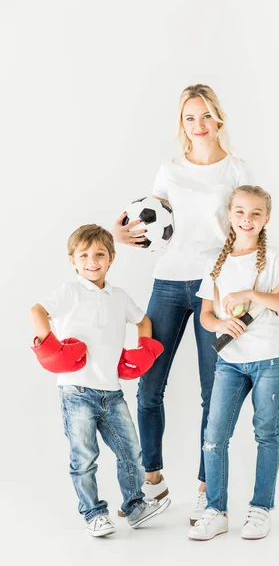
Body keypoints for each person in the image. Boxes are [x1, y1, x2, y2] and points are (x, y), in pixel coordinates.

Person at [112, 84, 253, 523]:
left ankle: (206, 487)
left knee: (214, 393)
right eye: (190, 118)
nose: (199, 126)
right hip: (168, 284)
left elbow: (248, 225)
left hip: (215, 286)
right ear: (182, 124)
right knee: (150, 386)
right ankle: (153, 480)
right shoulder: (168, 170)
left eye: (206, 116)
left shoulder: (237, 169)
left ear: (219, 120)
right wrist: (120, 236)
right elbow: (151, 223)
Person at [29, 224, 170, 537]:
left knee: (131, 452)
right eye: (84, 255)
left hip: (112, 392)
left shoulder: (118, 296)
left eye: (99, 255)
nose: (92, 261)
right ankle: (94, 513)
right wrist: (50, 346)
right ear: (73, 260)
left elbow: (143, 320)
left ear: (111, 258)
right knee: (84, 457)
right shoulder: (70, 292)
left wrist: (143, 350)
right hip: (75, 390)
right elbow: (37, 311)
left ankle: (134, 506)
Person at [188, 185, 279, 541]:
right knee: (214, 435)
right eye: (239, 212)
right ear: (229, 215)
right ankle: (215, 510)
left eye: (255, 213)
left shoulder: (277, 258)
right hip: (230, 361)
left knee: (266, 433)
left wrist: (253, 294)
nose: (246, 219)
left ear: (266, 218)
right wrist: (221, 324)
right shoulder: (214, 261)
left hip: (269, 358)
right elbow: (206, 315)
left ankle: (260, 509)